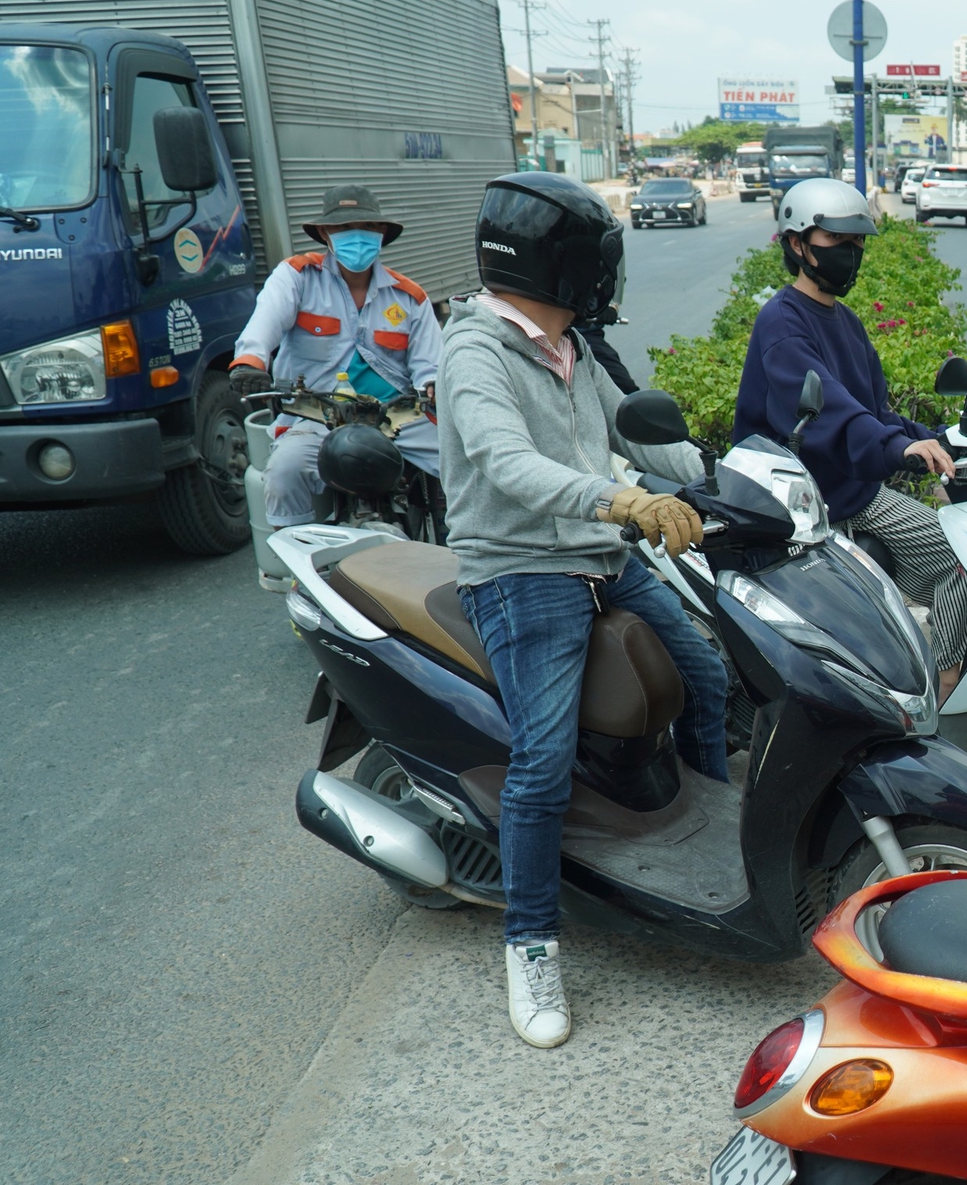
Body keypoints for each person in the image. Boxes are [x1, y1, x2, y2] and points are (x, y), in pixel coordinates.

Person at [437, 171, 730, 1051]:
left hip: (603, 557)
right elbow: (506, 463)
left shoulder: (572, 345)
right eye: (599, 259)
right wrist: (621, 501)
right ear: (557, 264)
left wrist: (730, 479)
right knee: (543, 761)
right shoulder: (476, 351)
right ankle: (530, 943)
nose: (608, 274)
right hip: (522, 570)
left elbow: (637, 430)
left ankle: (710, 842)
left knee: (709, 678)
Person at [733, 179, 967, 696]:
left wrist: (940, 440)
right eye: (836, 241)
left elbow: (875, 412)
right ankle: (937, 686)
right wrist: (895, 448)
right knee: (956, 561)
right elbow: (833, 415)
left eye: (857, 242)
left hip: (853, 492)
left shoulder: (845, 321)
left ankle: (937, 673)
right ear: (797, 244)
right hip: (807, 507)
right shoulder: (782, 325)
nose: (850, 253)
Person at [229, 184, 442, 527]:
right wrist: (250, 362)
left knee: (464, 462)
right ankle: (295, 554)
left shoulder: (409, 297)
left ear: (382, 232)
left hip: (396, 420)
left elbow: (430, 364)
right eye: (344, 228)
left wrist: (433, 384)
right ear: (326, 234)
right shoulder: (297, 276)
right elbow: (264, 324)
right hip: (318, 418)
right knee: (283, 473)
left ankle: (460, 548)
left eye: (367, 227)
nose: (356, 236)